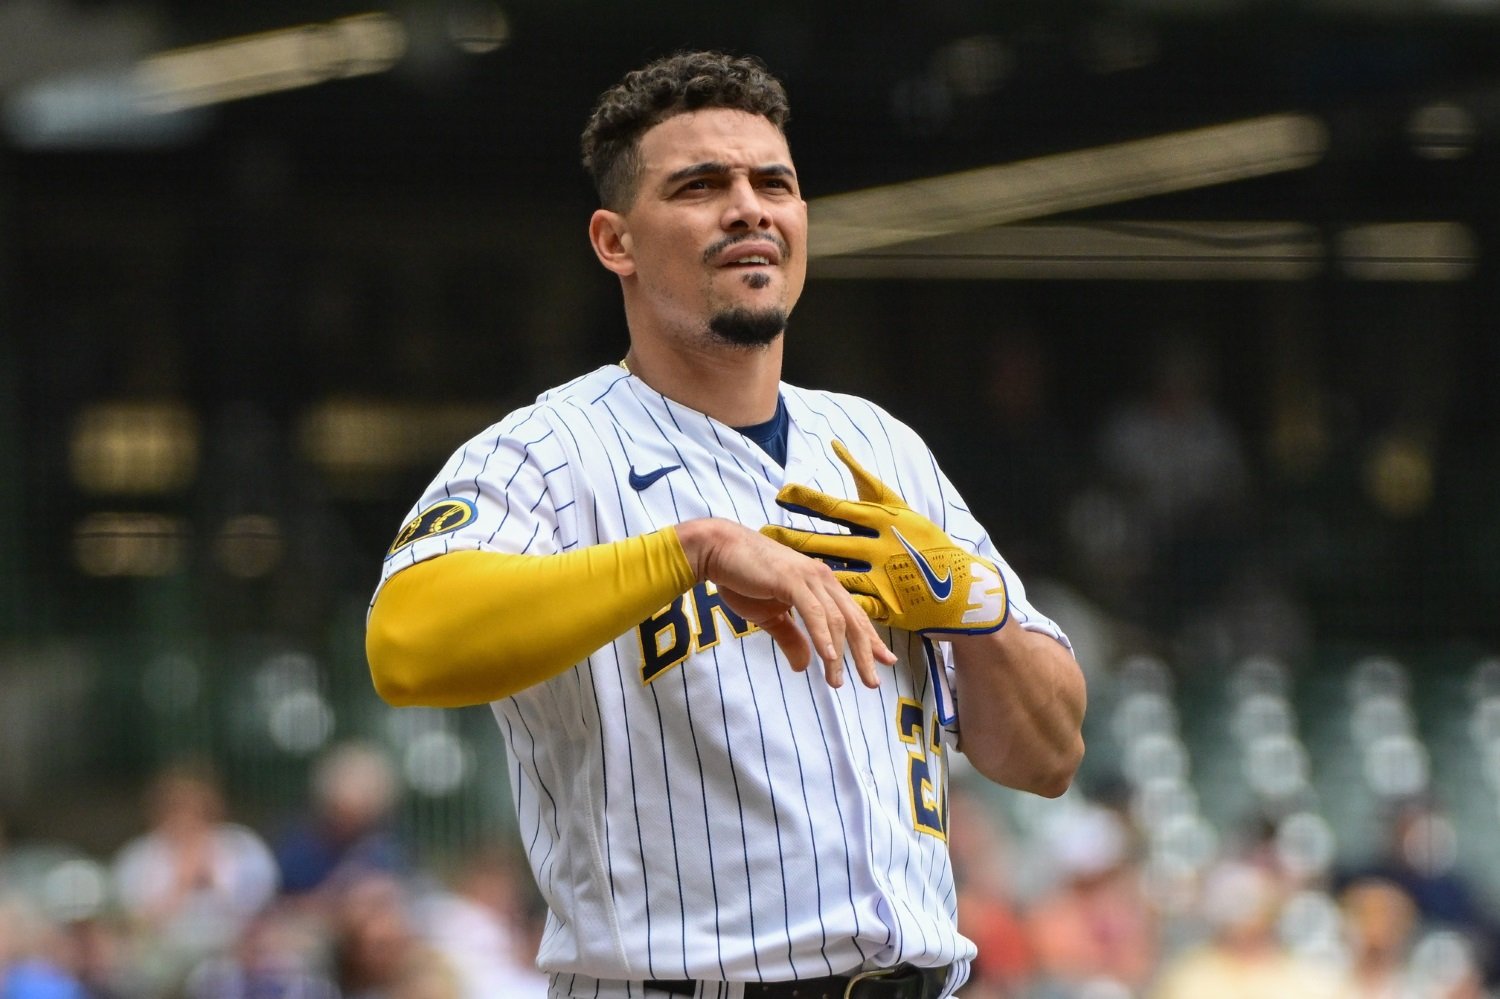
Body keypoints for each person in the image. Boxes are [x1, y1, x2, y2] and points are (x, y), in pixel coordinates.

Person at [365, 49, 1086, 999]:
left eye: (773, 183)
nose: (749, 206)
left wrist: (978, 607)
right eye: (701, 186)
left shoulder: (881, 448)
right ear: (615, 241)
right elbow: (406, 647)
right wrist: (689, 550)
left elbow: (1047, 755)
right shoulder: (549, 449)